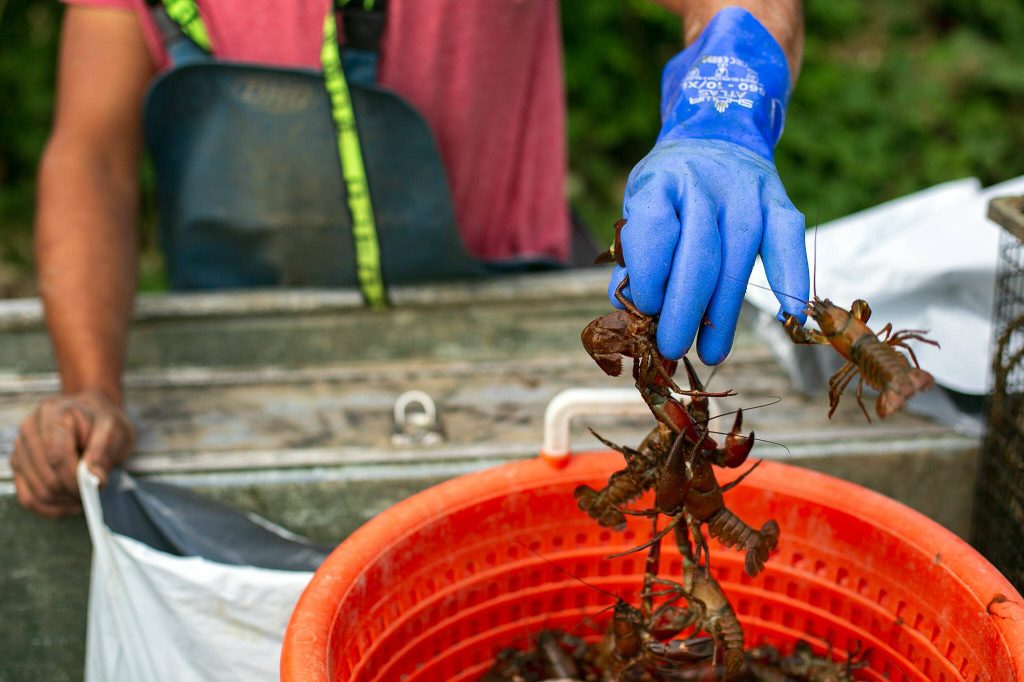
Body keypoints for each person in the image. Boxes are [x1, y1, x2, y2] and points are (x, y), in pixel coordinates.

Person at [10, 0, 807, 517]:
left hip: (509, 346)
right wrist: (91, 388)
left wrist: (724, 101)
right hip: (240, 365)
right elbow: (90, 161)